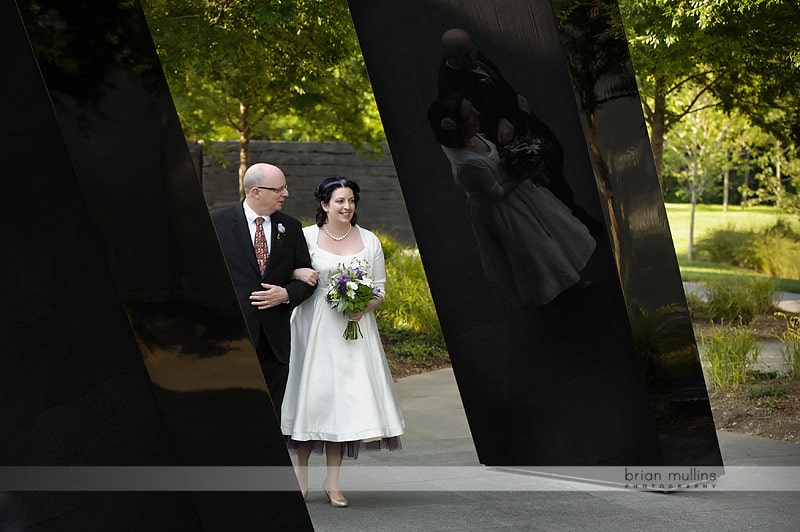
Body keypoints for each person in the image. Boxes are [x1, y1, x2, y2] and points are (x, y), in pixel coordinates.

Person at [281, 177, 404, 507]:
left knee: (342, 406)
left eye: (351, 200)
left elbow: (379, 288)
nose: (347, 206)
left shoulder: (369, 240)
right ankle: (299, 476)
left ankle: (333, 482)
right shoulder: (305, 237)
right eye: (339, 201)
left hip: (353, 331)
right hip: (313, 328)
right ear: (324, 205)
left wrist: (362, 307)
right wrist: (297, 275)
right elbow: (285, 272)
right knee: (311, 399)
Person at [427, 92, 596, 307]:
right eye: (469, 115)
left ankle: (567, 277)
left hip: (514, 192)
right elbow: (496, 193)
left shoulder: (467, 138)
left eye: (473, 109)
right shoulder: (467, 165)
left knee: (548, 228)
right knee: (536, 246)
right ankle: (563, 282)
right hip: (503, 209)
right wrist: (525, 174)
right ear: (456, 127)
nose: (477, 113)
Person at [437, 27, 599, 232]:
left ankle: (576, 219)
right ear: (453, 57)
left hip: (525, 124)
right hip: (514, 142)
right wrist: (517, 116)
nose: (474, 56)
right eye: (466, 55)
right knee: (547, 186)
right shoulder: (452, 89)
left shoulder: (476, 58)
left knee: (555, 171)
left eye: (473, 49)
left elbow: (498, 87)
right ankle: (577, 225)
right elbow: (482, 126)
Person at [210, 163, 316, 419]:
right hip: (230, 339)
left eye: (285, 187)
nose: (286, 194)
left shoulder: (290, 227)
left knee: (269, 414)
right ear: (256, 191)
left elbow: (308, 279)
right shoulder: (217, 222)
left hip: (274, 342)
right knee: (229, 414)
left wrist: (286, 294)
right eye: (279, 189)